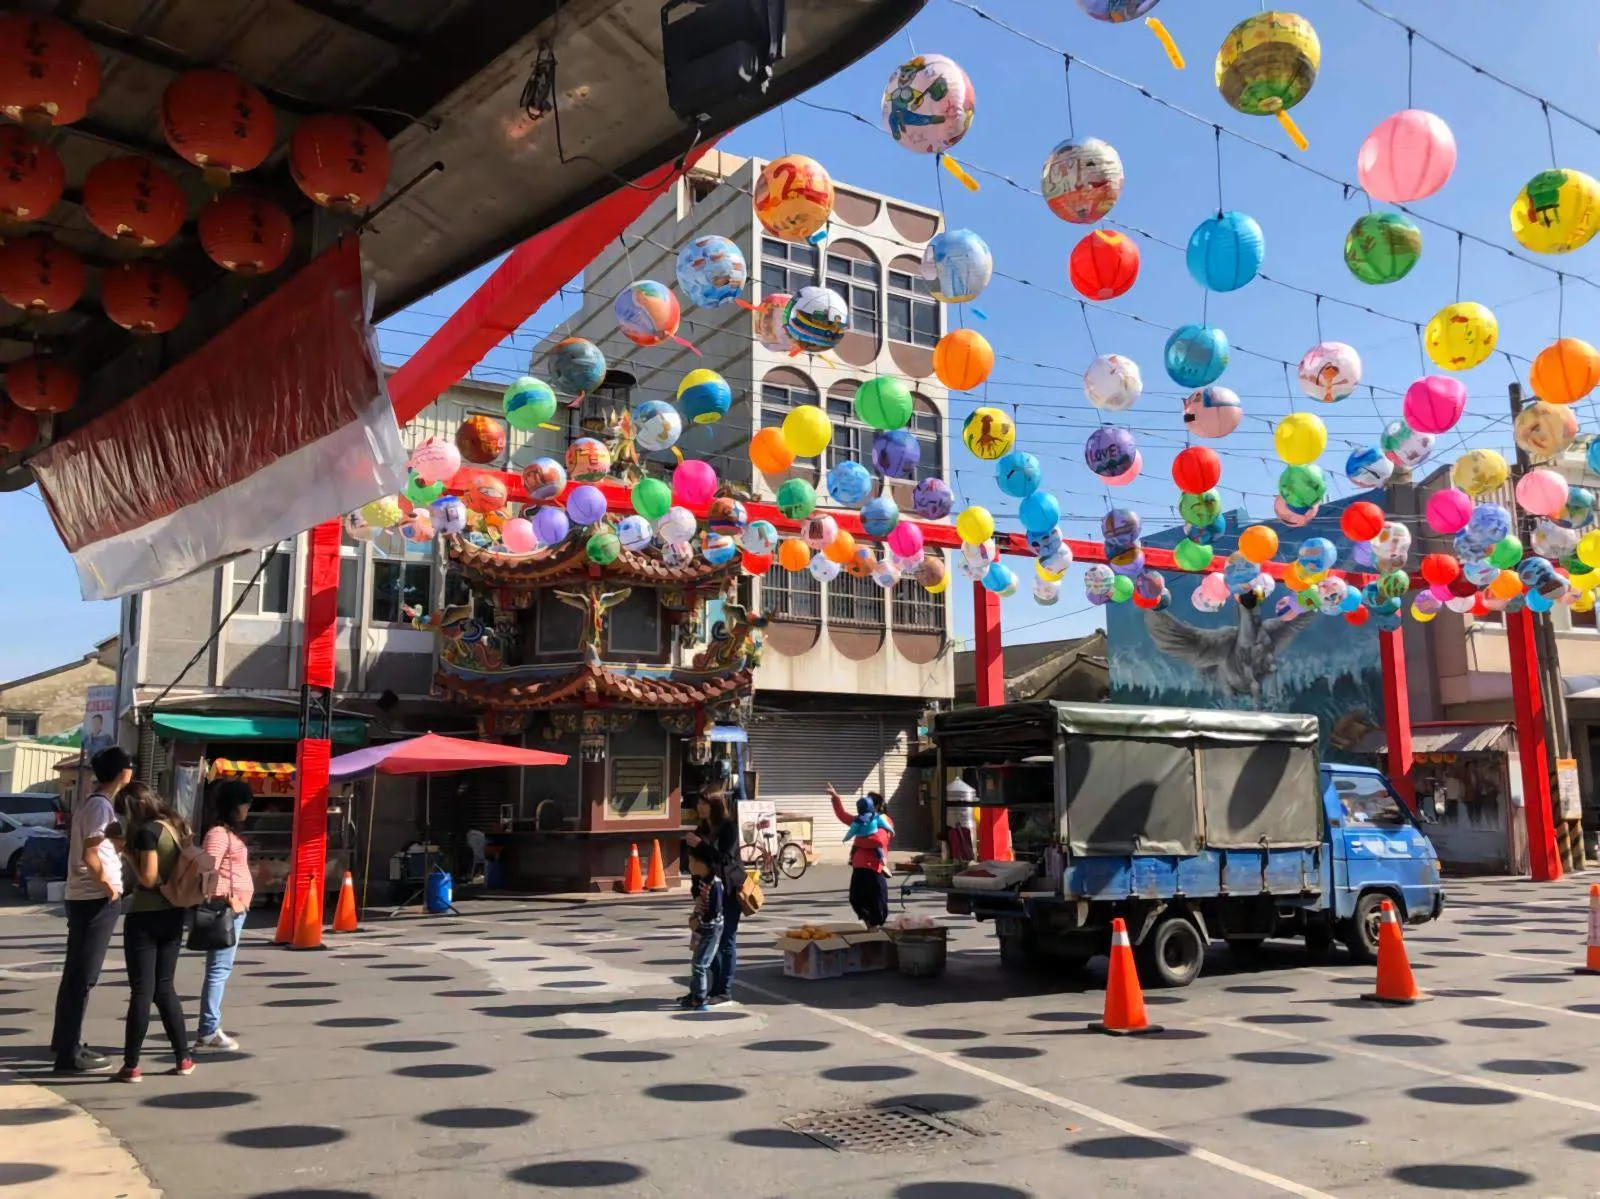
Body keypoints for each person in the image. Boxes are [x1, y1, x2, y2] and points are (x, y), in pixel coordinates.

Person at [49, 746, 133, 1075]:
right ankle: (69, 1052)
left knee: (76, 974)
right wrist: (109, 886)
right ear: (121, 772)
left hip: (84, 896)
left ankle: (65, 1042)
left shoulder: (95, 803)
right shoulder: (100, 807)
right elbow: (90, 853)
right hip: (93, 899)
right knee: (84, 975)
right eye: (129, 767)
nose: (131, 771)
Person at [116, 783, 194, 1082]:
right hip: (174, 914)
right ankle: (183, 1058)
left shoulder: (148, 832)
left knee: (141, 991)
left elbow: (149, 878)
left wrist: (128, 855)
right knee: (165, 988)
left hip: (146, 917)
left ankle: (132, 1065)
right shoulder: (176, 826)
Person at [195, 781, 254, 1052]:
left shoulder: (227, 833)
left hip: (234, 909)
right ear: (233, 805)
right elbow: (208, 870)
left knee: (221, 969)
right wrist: (229, 898)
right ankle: (208, 1029)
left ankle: (209, 1027)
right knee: (219, 970)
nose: (247, 808)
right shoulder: (219, 834)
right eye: (244, 802)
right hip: (226, 910)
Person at [683, 788, 741, 1004]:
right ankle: (706, 990)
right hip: (707, 892)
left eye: (704, 803)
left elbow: (725, 860)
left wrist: (701, 846)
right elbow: (696, 867)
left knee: (725, 941)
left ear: (715, 805)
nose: (700, 807)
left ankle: (723, 990)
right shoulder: (700, 830)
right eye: (698, 803)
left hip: (727, 890)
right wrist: (696, 893)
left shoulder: (728, 828)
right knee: (706, 942)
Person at [828, 783, 894, 929]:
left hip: (873, 869)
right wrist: (835, 798)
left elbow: (878, 841)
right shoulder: (862, 820)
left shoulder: (883, 820)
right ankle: (871, 927)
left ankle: (875, 931)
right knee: (856, 900)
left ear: (876, 806)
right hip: (859, 867)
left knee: (876, 905)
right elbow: (844, 816)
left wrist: (858, 840)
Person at [681, 855, 724, 1012]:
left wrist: (699, 920)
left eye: (693, 861)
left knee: (700, 965)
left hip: (711, 929)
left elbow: (715, 911)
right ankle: (694, 995)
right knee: (696, 963)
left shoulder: (715, 884)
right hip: (702, 928)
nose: (689, 864)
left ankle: (700, 999)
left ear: (703, 864)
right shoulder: (701, 881)